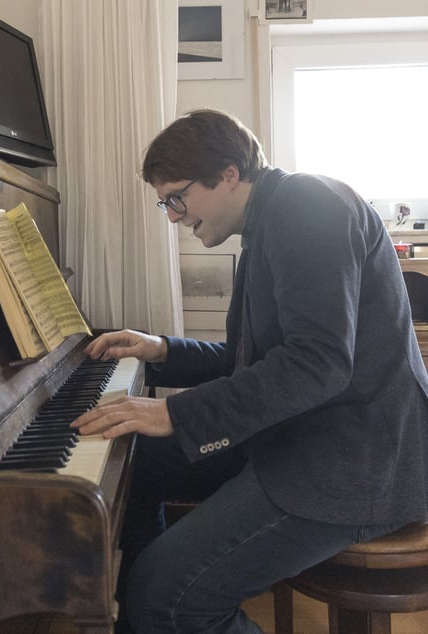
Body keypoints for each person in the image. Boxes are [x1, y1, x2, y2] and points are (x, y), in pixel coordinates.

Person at [72, 109, 428, 633]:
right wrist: (160, 349)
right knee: (135, 457)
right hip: (303, 433)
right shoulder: (269, 220)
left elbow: (317, 365)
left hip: (355, 461)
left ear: (229, 174)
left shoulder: (308, 206)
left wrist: (175, 411)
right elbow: (255, 365)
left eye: (177, 197)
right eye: (164, 202)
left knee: (165, 597)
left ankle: (162, 607)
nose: (172, 216)